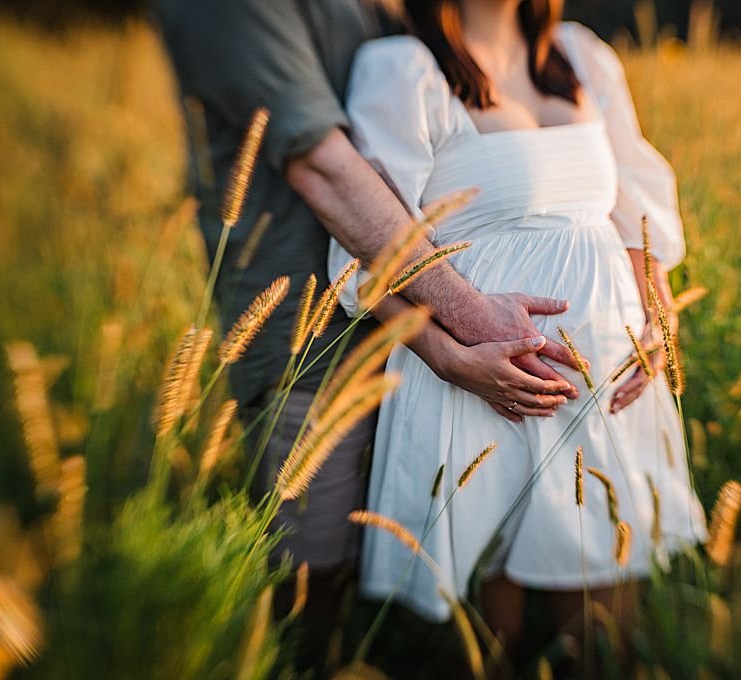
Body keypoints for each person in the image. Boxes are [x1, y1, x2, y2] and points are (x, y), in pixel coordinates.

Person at [152, 0, 584, 663]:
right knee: (312, 578)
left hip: (418, 336)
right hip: (305, 340)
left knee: (443, 577)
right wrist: (468, 320)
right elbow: (322, 164)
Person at [328, 0, 708, 663]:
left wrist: (658, 319)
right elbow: (369, 251)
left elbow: (635, 207)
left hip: (603, 392)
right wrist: (451, 358)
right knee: (481, 643)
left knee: (602, 635)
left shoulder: (582, 56)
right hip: (478, 391)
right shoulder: (404, 69)